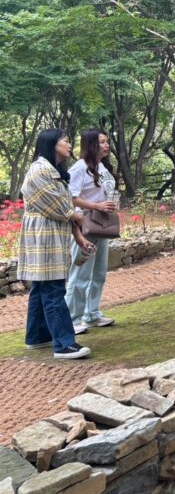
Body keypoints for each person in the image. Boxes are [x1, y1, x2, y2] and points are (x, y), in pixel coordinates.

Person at [19, 129, 91, 359]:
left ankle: (37, 336)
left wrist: (78, 234)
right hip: (44, 235)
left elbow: (63, 207)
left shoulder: (54, 171)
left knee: (42, 287)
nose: (69, 145)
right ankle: (64, 344)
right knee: (53, 289)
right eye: (65, 141)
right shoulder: (40, 171)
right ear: (51, 144)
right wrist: (78, 217)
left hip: (51, 234)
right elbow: (59, 207)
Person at [65, 129, 119, 333]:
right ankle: (71, 319)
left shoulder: (101, 166)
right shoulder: (79, 168)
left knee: (99, 272)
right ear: (90, 145)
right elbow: (71, 198)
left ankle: (91, 313)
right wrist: (96, 206)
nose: (106, 146)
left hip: (102, 225)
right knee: (80, 274)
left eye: (107, 142)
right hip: (86, 225)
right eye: (102, 142)